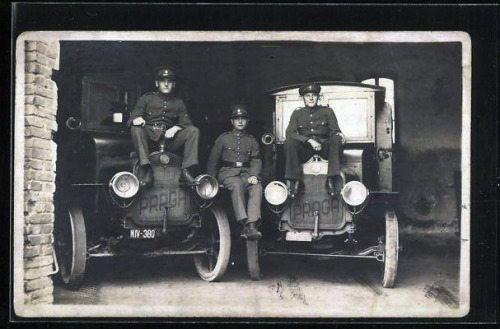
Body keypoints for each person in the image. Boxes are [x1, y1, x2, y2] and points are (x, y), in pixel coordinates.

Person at [128, 66, 199, 186]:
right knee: (136, 129)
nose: (166, 84)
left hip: (169, 141)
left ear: (174, 85)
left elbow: (187, 123)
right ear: (157, 83)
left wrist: (176, 128)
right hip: (149, 141)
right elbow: (131, 120)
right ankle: (146, 169)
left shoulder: (179, 103)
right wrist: (137, 119)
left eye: (169, 81)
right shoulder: (146, 99)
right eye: (162, 81)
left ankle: (186, 171)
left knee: (193, 131)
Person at [207, 105, 263, 240]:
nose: (240, 122)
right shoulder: (223, 139)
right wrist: (211, 181)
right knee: (237, 184)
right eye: (237, 119)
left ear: (247, 121)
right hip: (227, 173)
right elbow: (213, 160)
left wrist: (254, 175)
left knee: (257, 187)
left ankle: (251, 225)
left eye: (243, 119)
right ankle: (242, 222)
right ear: (232, 122)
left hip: (246, 173)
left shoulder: (251, 141)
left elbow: (256, 160)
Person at [284, 83, 346, 197]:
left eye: (314, 95)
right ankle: (295, 181)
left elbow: (334, 130)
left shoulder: (327, 111)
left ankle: (331, 179)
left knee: (336, 138)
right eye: (307, 95)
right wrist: (308, 140)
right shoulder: (297, 114)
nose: (311, 98)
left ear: (319, 97)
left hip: (324, 149)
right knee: (289, 142)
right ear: (302, 98)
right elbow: (289, 133)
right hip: (306, 150)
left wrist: (339, 134)